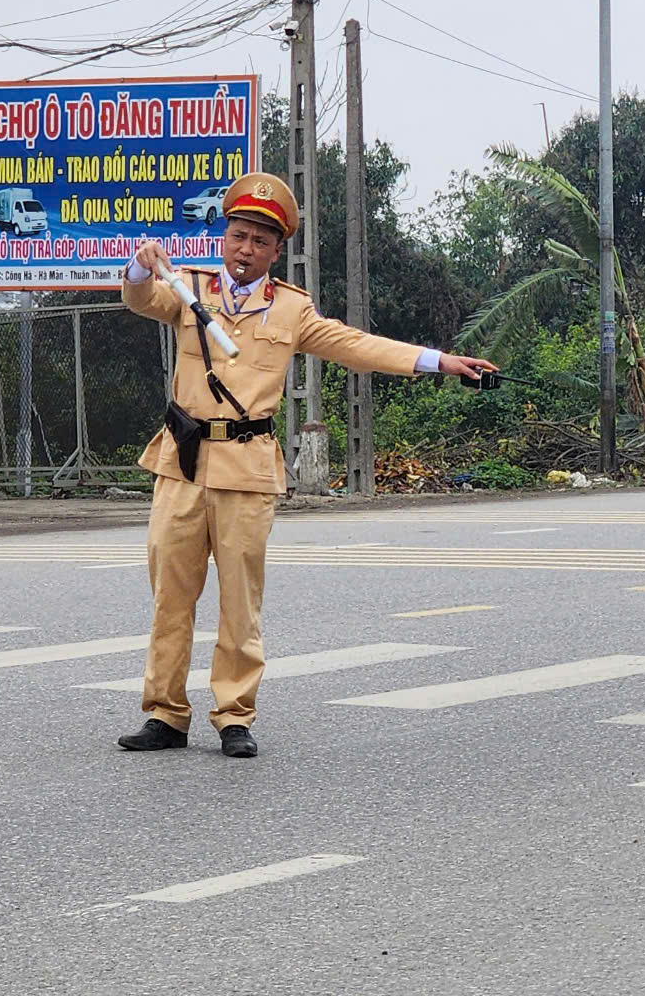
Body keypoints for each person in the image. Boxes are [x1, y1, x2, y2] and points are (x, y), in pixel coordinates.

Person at [117, 171, 497, 757]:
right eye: (239, 235)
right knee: (172, 595)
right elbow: (141, 298)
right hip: (183, 463)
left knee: (240, 601)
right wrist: (143, 265)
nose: (246, 249)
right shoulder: (187, 287)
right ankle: (165, 714)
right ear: (224, 236)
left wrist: (438, 361)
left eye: (260, 241)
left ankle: (234, 716)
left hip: (246, 467)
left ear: (276, 251)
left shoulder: (291, 310)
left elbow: (356, 345)